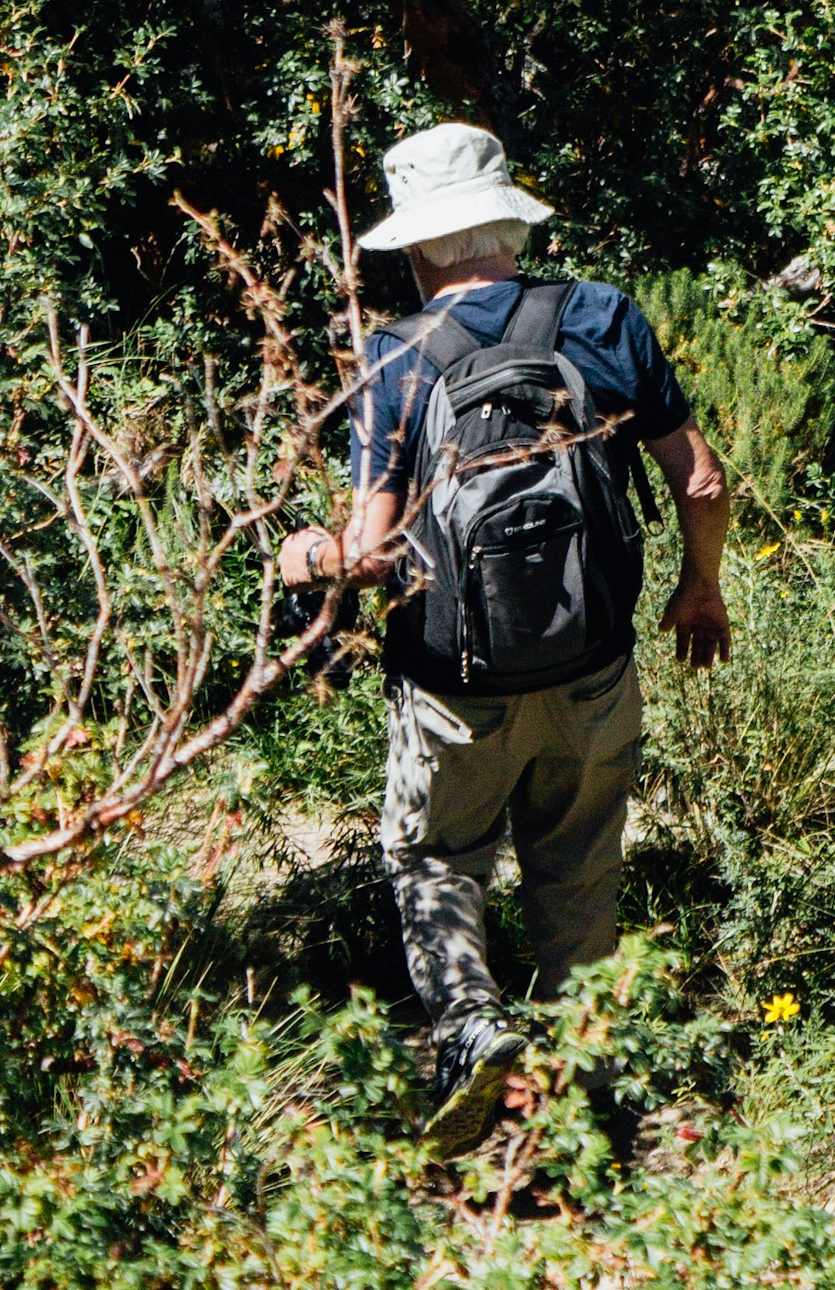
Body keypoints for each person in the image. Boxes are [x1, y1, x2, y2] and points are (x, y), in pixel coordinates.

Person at [278, 119, 731, 1155]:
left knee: (435, 859)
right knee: (578, 871)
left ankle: (473, 1029)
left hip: (453, 684)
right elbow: (701, 480)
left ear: (418, 245)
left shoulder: (396, 355)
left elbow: (369, 553)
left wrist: (303, 556)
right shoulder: (602, 316)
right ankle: (593, 1098)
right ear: (509, 224)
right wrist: (699, 590)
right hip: (594, 667)